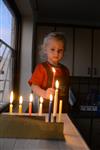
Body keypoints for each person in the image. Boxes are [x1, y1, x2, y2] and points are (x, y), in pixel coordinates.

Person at [28, 32, 70, 113]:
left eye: (60, 50)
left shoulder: (65, 70)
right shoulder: (41, 68)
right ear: (45, 50)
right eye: (52, 49)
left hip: (62, 110)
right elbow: (34, 86)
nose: (56, 53)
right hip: (45, 110)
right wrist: (44, 93)